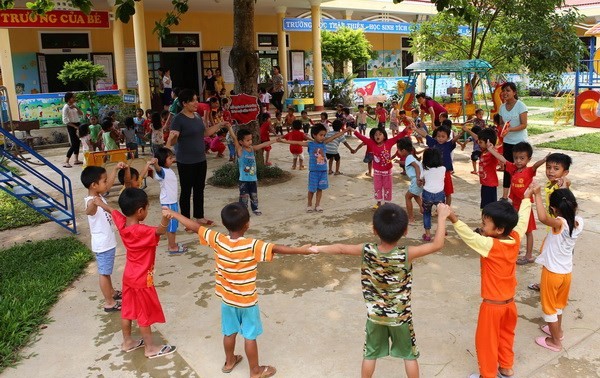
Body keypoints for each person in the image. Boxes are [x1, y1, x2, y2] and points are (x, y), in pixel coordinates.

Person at [163, 202, 314, 377]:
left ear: (225, 223)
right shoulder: (252, 245)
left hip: (227, 300)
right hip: (247, 301)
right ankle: (255, 371)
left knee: (229, 332)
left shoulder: (218, 240)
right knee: (249, 336)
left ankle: (229, 362)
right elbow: (277, 248)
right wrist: (300, 250)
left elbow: (195, 226)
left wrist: (174, 213)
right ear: (247, 224)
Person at [309, 203, 451, 378]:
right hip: (400, 318)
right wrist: (442, 217)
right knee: (409, 356)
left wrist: (317, 248)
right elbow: (437, 244)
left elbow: (341, 249)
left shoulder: (367, 250)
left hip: (375, 317)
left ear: (374, 229)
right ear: (405, 230)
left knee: (370, 354)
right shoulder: (407, 254)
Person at [448, 196, 532, 378]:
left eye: (485, 224)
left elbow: (470, 237)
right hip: (510, 305)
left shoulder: (490, 245)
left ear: (500, 229)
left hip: (492, 306)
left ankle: (487, 374)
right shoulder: (515, 238)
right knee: (506, 336)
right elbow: (523, 221)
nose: (482, 227)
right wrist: (527, 198)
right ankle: (506, 368)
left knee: (486, 342)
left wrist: (453, 218)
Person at [94, 188, 177, 359]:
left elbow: (112, 210)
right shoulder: (142, 231)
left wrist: (100, 203)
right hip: (142, 279)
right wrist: (165, 218)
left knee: (127, 309)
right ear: (140, 211)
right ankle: (150, 348)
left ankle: (127, 342)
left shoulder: (122, 223)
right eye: (147, 208)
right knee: (143, 313)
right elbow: (159, 232)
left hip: (129, 276)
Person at [529, 184, 583, 353]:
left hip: (552, 273)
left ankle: (555, 342)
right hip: (566, 273)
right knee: (558, 305)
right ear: (574, 205)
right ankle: (558, 332)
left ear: (553, 208)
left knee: (549, 308)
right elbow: (566, 206)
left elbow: (544, 218)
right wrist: (565, 187)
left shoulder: (559, 224)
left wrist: (537, 195)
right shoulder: (578, 222)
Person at [166, 89, 228, 228]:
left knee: (199, 189)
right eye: (193, 100)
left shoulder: (197, 116)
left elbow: (204, 133)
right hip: (185, 161)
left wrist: (219, 125)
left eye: (196, 100)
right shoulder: (178, 119)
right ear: (184, 103)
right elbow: (173, 141)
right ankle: (187, 221)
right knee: (187, 190)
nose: (196, 103)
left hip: (200, 159)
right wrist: (173, 138)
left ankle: (199, 217)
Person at [486, 141, 546, 263]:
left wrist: (545, 159)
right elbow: (502, 158)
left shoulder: (529, 171)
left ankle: (528, 255)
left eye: (522, 158)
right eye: (516, 158)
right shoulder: (513, 168)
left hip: (526, 206)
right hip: (515, 205)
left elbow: (536, 166)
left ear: (528, 159)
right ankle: (514, 248)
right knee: (512, 228)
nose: (518, 161)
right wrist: (491, 149)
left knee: (528, 231)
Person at [81, 164, 127, 312]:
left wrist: (115, 169)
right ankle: (109, 302)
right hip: (103, 245)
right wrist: (95, 204)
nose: (107, 184)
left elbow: (108, 186)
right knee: (104, 273)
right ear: (94, 185)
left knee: (107, 271)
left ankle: (112, 293)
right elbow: (89, 211)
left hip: (107, 242)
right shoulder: (91, 200)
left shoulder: (98, 195)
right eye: (104, 181)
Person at [279, 123, 345, 213]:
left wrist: (346, 130)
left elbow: (335, 136)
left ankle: (317, 205)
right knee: (311, 189)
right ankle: (309, 205)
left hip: (323, 171)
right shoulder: (310, 144)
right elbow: (296, 142)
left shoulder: (324, 143)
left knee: (320, 188)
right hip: (314, 171)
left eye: (324, 135)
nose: (323, 137)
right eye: (321, 135)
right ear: (314, 135)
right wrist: (282, 141)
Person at [351, 124, 412, 209]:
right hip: (377, 171)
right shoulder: (371, 143)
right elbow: (362, 138)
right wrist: (354, 131)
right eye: (376, 134)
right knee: (377, 187)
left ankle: (387, 203)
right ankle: (378, 202)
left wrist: (406, 130)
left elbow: (398, 137)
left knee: (388, 187)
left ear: (384, 136)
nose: (377, 136)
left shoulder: (389, 142)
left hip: (387, 171)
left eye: (380, 134)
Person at [230, 127, 277, 215]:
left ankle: (255, 208)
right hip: (243, 180)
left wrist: (274, 140)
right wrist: (229, 128)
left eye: (251, 139)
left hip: (253, 178)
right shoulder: (240, 150)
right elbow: (234, 138)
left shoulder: (252, 149)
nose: (250, 142)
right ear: (241, 142)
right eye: (247, 140)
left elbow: (263, 145)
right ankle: (243, 211)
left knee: (254, 195)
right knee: (244, 196)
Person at [414, 125, 461, 206]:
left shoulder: (448, 145)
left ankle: (447, 208)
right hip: (432, 172)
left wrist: (461, 134)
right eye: (438, 136)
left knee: (448, 192)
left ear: (447, 137)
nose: (440, 138)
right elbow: (425, 135)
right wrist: (415, 129)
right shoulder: (433, 143)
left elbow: (454, 140)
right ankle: (435, 206)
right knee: (433, 190)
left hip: (445, 172)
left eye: (443, 136)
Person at [498, 82, 528, 200]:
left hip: (520, 142)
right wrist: (504, 128)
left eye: (508, 90)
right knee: (508, 168)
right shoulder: (502, 107)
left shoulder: (521, 106)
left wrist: (510, 129)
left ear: (514, 92)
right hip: (508, 142)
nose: (505, 93)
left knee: (520, 168)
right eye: (503, 90)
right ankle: (505, 196)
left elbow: (524, 125)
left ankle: (522, 193)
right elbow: (501, 123)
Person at [462, 128, 499, 209]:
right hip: (485, 184)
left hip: (490, 185)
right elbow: (476, 137)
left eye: (481, 142)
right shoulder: (484, 150)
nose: (478, 143)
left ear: (488, 142)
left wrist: (491, 149)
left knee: (490, 207)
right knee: (484, 205)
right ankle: (485, 219)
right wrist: (468, 130)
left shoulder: (492, 153)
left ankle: (489, 220)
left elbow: (499, 158)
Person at [420, 148, 446, 241]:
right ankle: (443, 230)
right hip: (440, 194)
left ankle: (427, 235)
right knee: (441, 213)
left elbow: (421, 178)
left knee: (426, 213)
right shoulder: (443, 168)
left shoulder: (425, 169)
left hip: (427, 194)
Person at [396, 137, 423, 223]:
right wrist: (399, 162)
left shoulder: (409, 158)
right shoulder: (410, 157)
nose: (398, 152)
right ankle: (422, 208)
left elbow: (417, 167)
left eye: (399, 150)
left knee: (407, 197)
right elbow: (409, 164)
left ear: (403, 150)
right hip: (418, 180)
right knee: (415, 195)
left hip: (416, 180)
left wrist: (418, 179)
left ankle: (411, 218)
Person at [62, 92, 83, 168]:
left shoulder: (75, 105)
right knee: (74, 144)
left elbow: (81, 114)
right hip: (71, 126)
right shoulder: (66, 107)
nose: (74, 98)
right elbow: (65, 121)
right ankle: (66, 161)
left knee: (77, 142)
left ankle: (76, 160)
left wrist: (75, 107)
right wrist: (75, 126)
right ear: (68, 99)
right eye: (72, 97)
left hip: (77, 124)